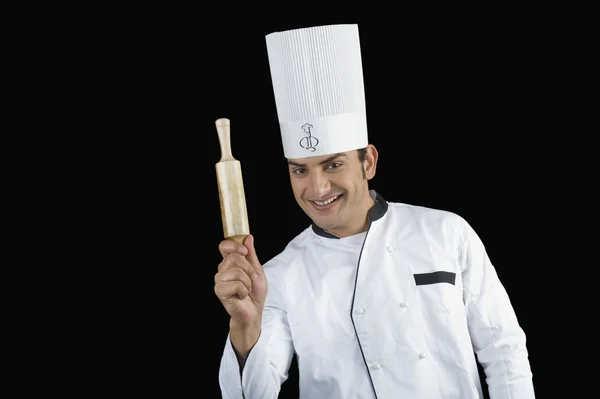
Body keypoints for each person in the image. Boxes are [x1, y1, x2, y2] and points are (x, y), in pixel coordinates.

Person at [214, 23, 535, 399]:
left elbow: (504, 351)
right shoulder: (278, 276)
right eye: (300, 169)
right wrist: (244, 324)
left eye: (333, 165)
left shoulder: (446, 232)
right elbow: (251, 396)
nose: (316, 188)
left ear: (368, 162)